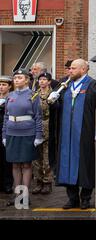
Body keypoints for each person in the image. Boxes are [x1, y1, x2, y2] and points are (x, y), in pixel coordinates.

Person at [49, 59, 96, 210]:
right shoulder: (65, 85)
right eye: (69, 69)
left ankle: (85, 198)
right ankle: (72, 198)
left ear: (83, 70)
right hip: (66, 134)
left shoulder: (95, 85)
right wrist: (54, 101)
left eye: (73, 68)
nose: (70, 71)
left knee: (85, 166)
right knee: (66, 164)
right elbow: (59, 108)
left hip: (85, 133)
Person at [2, 69, 43, 206]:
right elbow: (6, 117)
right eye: (15, 78)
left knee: (26, 164)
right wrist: (4, 134)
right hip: (12, 132)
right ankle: (17, 195)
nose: (17, 80)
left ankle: (24, 196)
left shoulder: (33, 95)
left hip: (28, 133)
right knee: (14, 164)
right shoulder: (10, 95)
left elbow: (38, 116)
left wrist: (38, 135)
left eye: (20, 77)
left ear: (27, 80)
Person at [32, 72, 59, 195]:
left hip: (48, 126)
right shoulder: (34, 94)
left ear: (49, 81)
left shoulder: (54, 94)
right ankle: (38, 181)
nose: (42, 82)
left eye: (44, 79)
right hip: (36, 126)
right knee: (36, 157)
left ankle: (47, 182)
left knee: (47, 157)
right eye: (40, 79)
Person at [0, 76, 13, 194]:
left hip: (7, 131)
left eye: (4, 85)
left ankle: (8, 184)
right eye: (0, 84)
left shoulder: (12, 98)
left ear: (9, 86)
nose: (1, 87)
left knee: (6, 159)